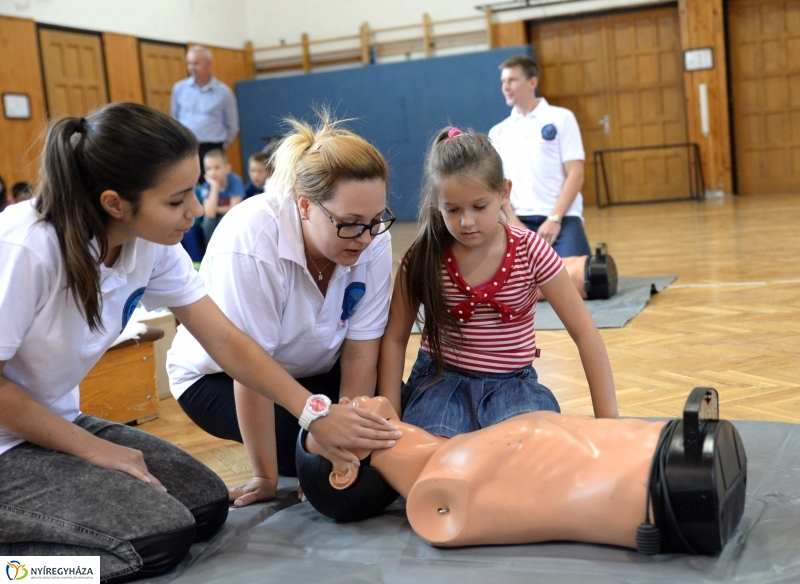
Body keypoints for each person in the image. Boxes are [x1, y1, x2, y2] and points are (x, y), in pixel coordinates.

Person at [0, 103, 400, 582]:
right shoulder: (25, 249)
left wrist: (316, 412)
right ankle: (19, 572)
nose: (195, 209)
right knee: (156, 545)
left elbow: (228, 340)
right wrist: (89, 448)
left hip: (50, 423)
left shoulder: (151, 244)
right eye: (176, 200)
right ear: (114, 203)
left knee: (206, 507)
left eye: (192, 191)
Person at [167, 111, 398, 508]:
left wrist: (348, 425)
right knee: (320, 451)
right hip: (225, 379)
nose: (365, 236)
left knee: (386, 431)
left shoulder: (372, 236)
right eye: (351, 223)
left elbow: (361, 353)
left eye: (376, 220)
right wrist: (266, 474)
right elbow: (246, 362)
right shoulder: (252, 238)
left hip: (315, 374)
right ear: (305, 205)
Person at [377, 127, 618, 438]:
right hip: (442, 385)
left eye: (479, 207)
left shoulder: (530, 250)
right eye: (453, 209)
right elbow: (395, 339)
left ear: (504, 193)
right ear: (437, 202)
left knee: (531, 450)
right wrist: (392, 421)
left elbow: (585, 332)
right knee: (437, 454)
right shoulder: (423, 257)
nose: (467, 221)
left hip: (512, 386)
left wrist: (609, 424)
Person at [297, 392, 747, 555]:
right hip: (670, 486)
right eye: (336, 417)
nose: (341, 404)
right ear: (343, 470)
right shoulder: (436, 500)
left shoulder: (449, 459)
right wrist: (314, 433)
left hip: (674, 451)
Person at [171, 45, 239, 184]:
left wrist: (220, 144)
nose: (191, 67)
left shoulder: (224, 92)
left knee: (215, 186)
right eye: (189, 63)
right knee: (190, 185)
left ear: (209, 64)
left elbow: (232, 125)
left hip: (212, 147)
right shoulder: (179, 89)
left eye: (196, 63)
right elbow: (175, 120)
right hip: (187, 148)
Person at [199, 148, 244, 244]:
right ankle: (211, 253)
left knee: (226, 220)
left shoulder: (235, 181)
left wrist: (216, 209)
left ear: (227, 168)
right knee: (207, 223)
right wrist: (214, 186)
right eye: (208, 168)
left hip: (231, 217)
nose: (212, 172)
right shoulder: (207, 185)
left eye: (217, 167)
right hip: (214, 219)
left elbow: (234, 209)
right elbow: (209, 214)